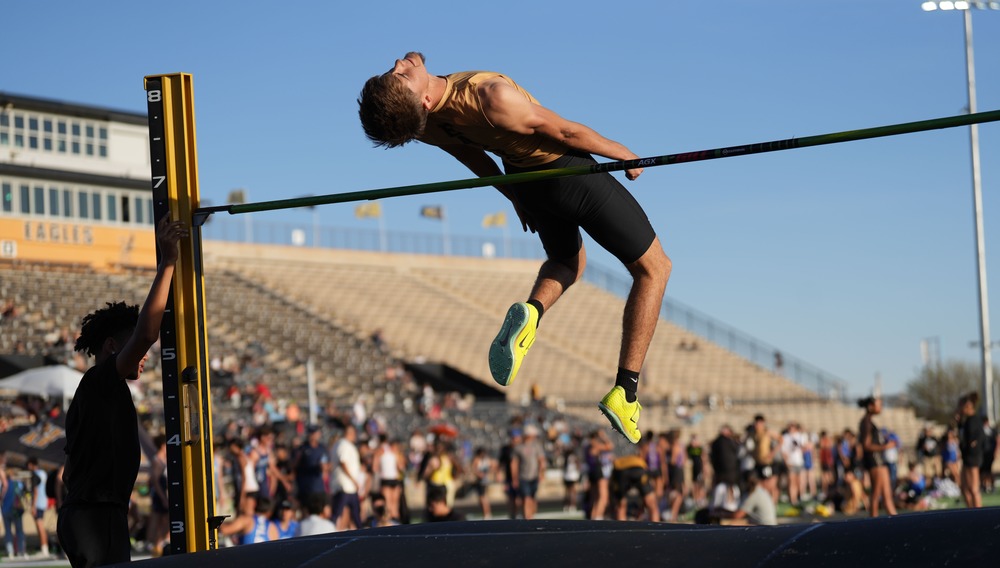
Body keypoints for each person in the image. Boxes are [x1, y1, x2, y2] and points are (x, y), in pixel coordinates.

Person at [358, 52, 671, 444]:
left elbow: (468, 153)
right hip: (565, 170)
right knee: (654, 269)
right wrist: (620, 151)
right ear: (422, 102)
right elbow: (565, 134)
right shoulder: (490, 96)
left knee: (566, 261)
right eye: (402, 76)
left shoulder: (422, 124)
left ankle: (532, 311)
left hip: (523, 179)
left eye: (395, 71)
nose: (398, 65)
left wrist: (514, 195)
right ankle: (625, 391)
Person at [58, 215, 187, 568]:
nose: (143, 358)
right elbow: (147, 333)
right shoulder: (100, 380)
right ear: (113, 346)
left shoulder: (100, 391)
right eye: (135, 351)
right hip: (95, 517)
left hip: (93, 515)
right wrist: (168, 262)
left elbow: (70, 470)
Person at [857, 396, 896, 517]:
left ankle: (895, 519)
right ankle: (872, 522)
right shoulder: (866, 423)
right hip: (874, 461)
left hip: (880, 462)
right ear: (871, 406)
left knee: (887, 495)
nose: (881, 407)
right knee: (876, 493)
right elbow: (866, 445)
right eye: (879, 405)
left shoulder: (870, 422)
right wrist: (885, 447)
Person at [330, 424, 363, 531]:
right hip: (345, 485)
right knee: (338, 513)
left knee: (355, 514)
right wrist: (353, 480)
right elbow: (342, 462)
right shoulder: (343, 445)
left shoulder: (340, 444)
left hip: (348, 486)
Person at [511, 424, 546, 520]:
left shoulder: (537, 446)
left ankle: (530, 516)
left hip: (534, 476)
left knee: (532, 499)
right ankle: (528, 519)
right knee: (526, 498)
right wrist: (514, 478)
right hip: (523, 477)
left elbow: (541, 460)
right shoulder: (518, 447)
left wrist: (541, 473)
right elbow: (514, 463)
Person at [957, 391, 985, 509]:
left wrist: (972, 448)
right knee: (964, 487)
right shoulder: (966, 421)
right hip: (967, 457)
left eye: (961, 405)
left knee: (973, 488)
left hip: (972, 457)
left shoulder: (974, 420)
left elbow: (978, 439)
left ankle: (978, 514)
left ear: (968, 405)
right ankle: (970, 511)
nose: (959, 408)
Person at [25, 457, 49, 557]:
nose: (27, 467)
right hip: (44, 501)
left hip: (38, 502)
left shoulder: (35, 474)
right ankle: (44, 548)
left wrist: (33, 506)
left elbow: (35, 491)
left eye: (28, 465)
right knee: (41, 526)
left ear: (32, 464)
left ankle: (44, 549)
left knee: (39, 526)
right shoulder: (43, 473)